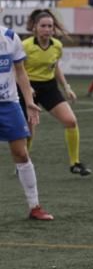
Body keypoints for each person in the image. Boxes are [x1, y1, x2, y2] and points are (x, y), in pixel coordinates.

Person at [20, 10, 91, 176]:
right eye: (43, 26)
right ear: (35, 28)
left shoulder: (57, 46)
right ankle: (23, 164)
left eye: (50, 26)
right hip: (27, 87)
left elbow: (55, 67)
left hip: (49, 87)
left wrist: (67, 87)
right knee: (29, 130)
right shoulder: (25, 46)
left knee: (71, 121)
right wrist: (27, 88)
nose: (47, 29)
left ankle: (75, 163)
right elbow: (17, 69)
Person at [1, 24, 53, 220]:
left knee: (22, 153)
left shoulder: (9, 36)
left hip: (9, 104)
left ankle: (35, 206)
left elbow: (20, 71)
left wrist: (29, 102)